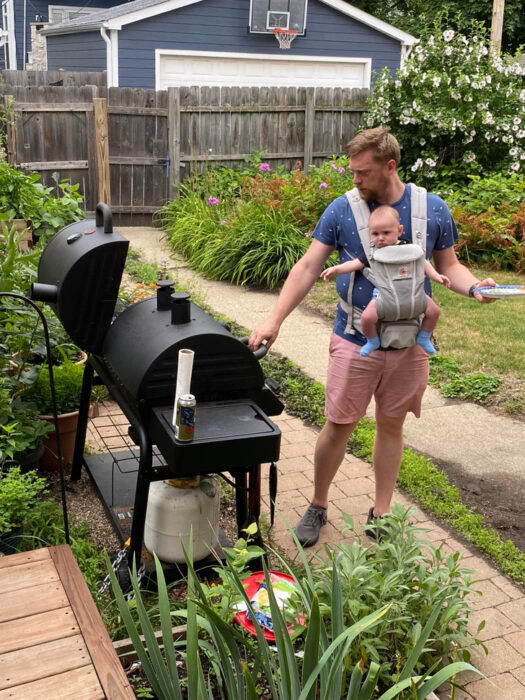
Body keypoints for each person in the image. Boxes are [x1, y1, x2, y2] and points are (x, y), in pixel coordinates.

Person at [248, 126, 496, 547]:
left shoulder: (431, 209)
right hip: (353, 338)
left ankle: (381, 512)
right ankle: (319, 503)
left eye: (363, 172)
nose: (355, 180)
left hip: (408, 342)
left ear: (390, 166)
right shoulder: (342, 210)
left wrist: (475, 287)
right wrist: (275, 319)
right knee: (338, 425)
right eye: (353, 172)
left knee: (391, 425)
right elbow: (309, 266)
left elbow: (449, 266)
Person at [320, 205, 451, 356]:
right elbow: (355, 264)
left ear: (399, 231)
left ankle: (423, 337)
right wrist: (336, 269)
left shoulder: (409, 247)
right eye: (375, 234)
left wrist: (436, 276)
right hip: (384, 295)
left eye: (386, 233)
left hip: (413, 293)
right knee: (367, 318)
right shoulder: (373, 253)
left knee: (434, 312)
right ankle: (372, 341)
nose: (380, 238)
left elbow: (424, 263)